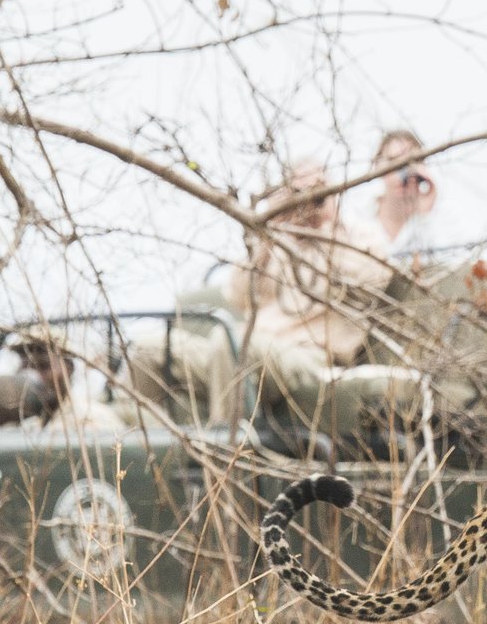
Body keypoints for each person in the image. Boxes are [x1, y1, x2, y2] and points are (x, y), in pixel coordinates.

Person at [140, 161, 397, 422]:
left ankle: (228, 454)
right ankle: (140, 451)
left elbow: (368, 281)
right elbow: (238, 295)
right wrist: (268, 231)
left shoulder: (359, 236)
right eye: (298, 193)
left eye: (317, 192)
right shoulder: (279, 241)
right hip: (250, 352)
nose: (307, 201)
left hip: (311, 355)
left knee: (232, 343)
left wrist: (324, 228)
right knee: (148, 349)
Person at [368, 128, 443, 269]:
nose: (401, 171)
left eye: (409, 162)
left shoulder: (441, 219)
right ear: (377, 166)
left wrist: (425, 215)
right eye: (393, 161)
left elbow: (447, 269)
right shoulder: (358, 219)